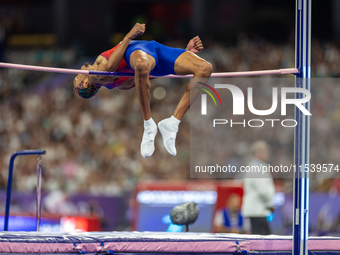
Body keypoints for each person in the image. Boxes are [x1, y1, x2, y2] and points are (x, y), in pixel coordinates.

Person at [73, 23, 212, 158]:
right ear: (85, 83)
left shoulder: (120, 84)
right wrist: (129, 36)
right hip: (136, 53)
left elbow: (147, 77)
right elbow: (110, 68)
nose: (78, 72)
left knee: (205, 69)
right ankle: (149, 124)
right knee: (141, 65)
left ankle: (173, 123)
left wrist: (185, 56)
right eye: (77, 77)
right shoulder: (95, 76)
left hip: (154, 53)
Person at [241, 141, 276, 235]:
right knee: (262, 241)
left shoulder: (258, 166)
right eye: (264, 151)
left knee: (261, 238)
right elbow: (263, 190)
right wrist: (270, 204)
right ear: (257, 153)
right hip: (257, 210)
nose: (267, 153)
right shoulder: (256, 168)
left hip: (258, 210)